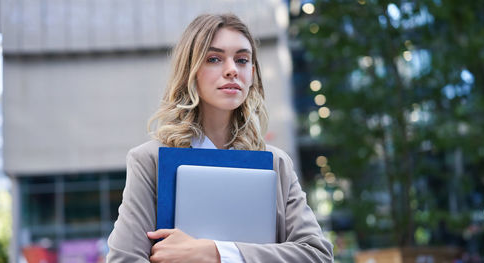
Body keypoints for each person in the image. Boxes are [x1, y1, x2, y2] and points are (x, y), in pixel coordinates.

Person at [106, 13, 333, 263]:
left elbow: (317, 255)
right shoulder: (150, 160)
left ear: (252, 73)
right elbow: (124, 259)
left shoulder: (276, 163)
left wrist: (216, 252)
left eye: (242, 60)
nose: (232, 70)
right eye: (214, 59)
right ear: (190, 71)